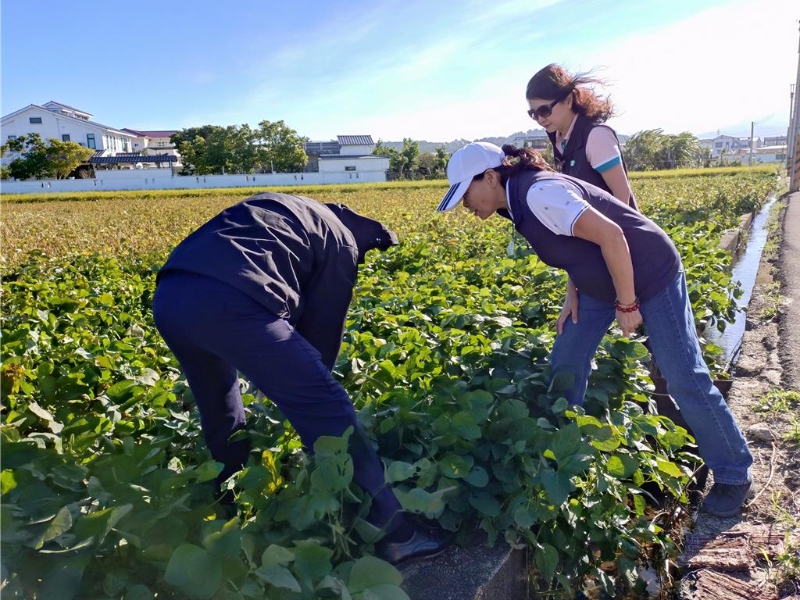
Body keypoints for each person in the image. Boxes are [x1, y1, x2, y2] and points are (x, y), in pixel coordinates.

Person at [435, 142, 754, 517]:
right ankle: (561, 456)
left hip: (647, 274)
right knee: (567, 359)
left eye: (465, 194)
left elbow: (613, 236)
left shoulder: (539, 193)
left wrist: (628, 303)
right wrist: (574, 292)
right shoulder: (514, 204)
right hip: (599, 282)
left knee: (683, 375)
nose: (466, 207)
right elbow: (571, 244)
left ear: (490, 177)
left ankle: (734, 474)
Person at [152, 192, 450, 563]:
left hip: (170, 296)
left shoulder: (288, 208)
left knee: (220, 407)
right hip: (232, 301)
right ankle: (396, 532)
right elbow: (322, 335)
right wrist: (301, 404)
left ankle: (229, 505)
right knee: (326, 405)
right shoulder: (340, 240)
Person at [526, 63, 637, 210]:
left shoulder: (596, 136)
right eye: (533, 114)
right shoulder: (558, 137)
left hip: (617, 229)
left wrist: (610, 232)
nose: (540, 119)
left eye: (544, 110)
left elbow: (622, 195)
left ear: (568, 100)